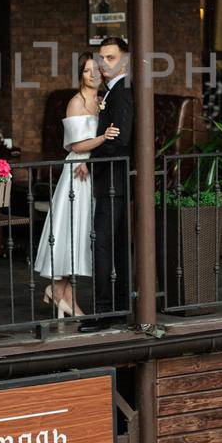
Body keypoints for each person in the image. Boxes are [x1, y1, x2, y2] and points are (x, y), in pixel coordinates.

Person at [33, 56, 119, 318]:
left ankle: (60, 291)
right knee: (73, 230)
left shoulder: (103, 100)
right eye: (86, 71)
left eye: (96, 70)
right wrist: (102, 137)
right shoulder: (75, 103)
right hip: (78, 173)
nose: (92, 74)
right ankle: (59, 291)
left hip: (94, 170)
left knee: (84, 233)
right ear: (80, 75)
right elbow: (76, 146)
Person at [86, 37, 133, 325]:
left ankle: (105, 311)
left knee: (104, 243)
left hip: (114, 177)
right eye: (101, 58)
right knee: (110, 244)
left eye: (111, 58)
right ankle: (114, 306)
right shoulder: (111, 91)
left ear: (125, 60)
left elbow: (122, 138)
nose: (104, 64)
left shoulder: (123, 91)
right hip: (110, 177)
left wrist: (90, 158)